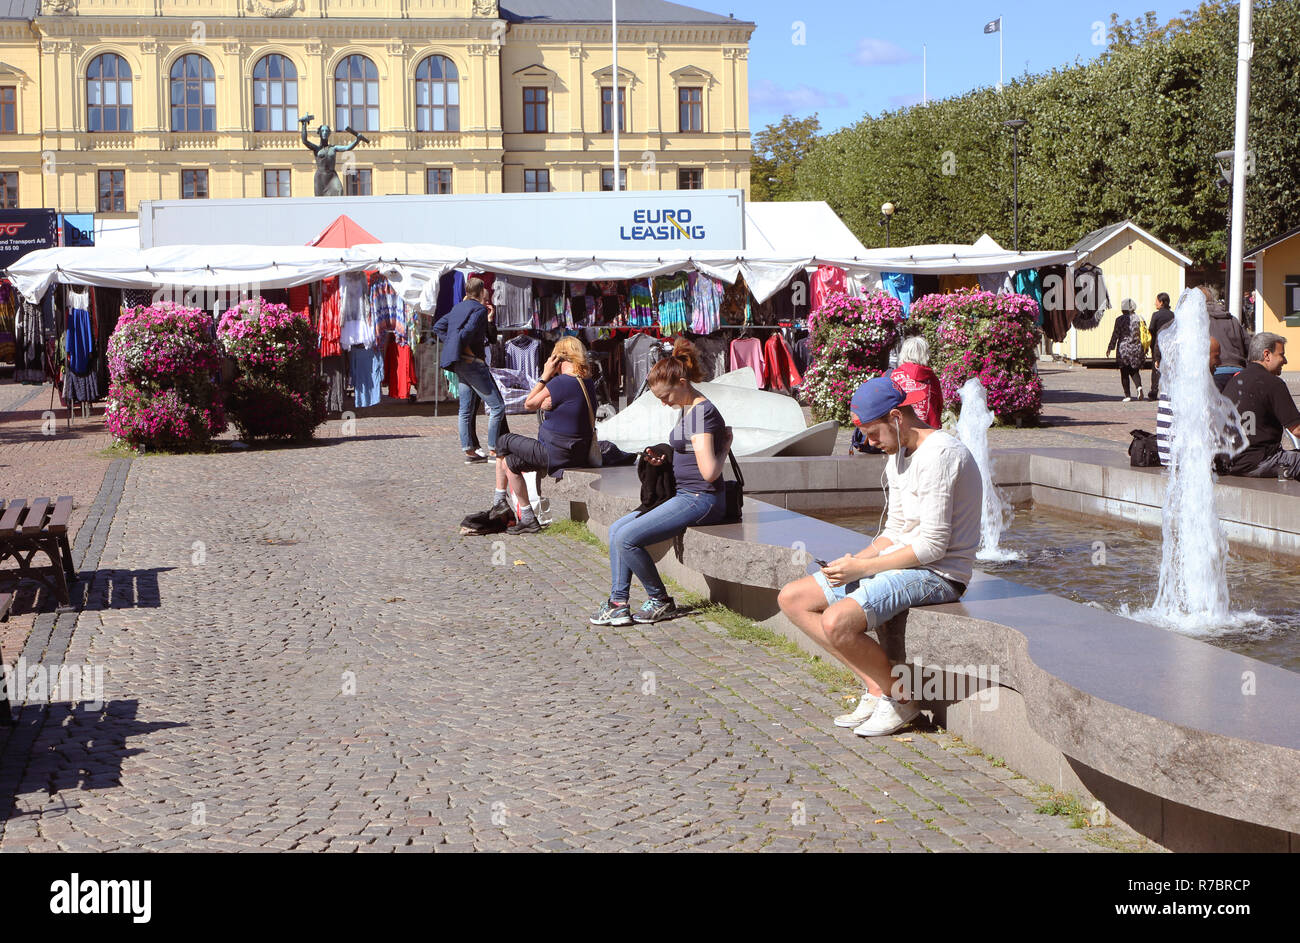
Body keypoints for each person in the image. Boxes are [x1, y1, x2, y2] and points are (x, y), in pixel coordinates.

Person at [776, 376, 982, 738]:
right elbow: (895, 530)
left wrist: (865, 568)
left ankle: (900, 700)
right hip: (906, 562)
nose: (870, 443)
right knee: (793, 599)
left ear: (896, 417)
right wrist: (853, 561)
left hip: (939, 573)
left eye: (873, 433)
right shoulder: (898, 454)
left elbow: (933, 546)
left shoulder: (942, 455)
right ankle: (876, 687)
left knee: (837, 621)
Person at [589, 338, 732, 627]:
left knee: (627, 538)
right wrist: (664, 457)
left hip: (700, 498)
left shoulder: (701, 414)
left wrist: (725, 446)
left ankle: (660, 600)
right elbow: (688, 450)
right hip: (685, 495)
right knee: (617, 528)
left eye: (665, 397)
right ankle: (618, 603)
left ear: (681, 382)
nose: (664, 403)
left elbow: (709, 473)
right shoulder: (688, 407)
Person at [491, 336, 598, 535]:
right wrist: (549, 403)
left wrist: (545, 376)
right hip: (576, 452)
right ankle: (528, 517)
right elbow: (563, 407)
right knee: (510, 463)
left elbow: (528, 403)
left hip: (555, 453)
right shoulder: (586, 382)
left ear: (558, 359)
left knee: (503, 440)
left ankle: (498, 500)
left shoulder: (561, 382)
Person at [432, 276, 507, 464]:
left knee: (465, 409)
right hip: (472, 363)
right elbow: (468, 331)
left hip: (460, 363)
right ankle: (493, 450)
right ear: (481, 292)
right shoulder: (479, 309)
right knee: (497, 407)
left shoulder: (458, 307)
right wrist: (461, 346)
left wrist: (453, 343)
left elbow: (438, 326)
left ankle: (470, 451)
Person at [1223, 333, 1300, 480]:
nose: (1285, 361)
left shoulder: (1235, 380)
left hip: (1232, 462)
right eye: (1281, 355)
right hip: (1259, 461)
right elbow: (1296, 429)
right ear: (1267, 355)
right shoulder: (1273, 383)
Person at [1155, 337, 1226, 467]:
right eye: (1216, 356)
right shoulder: (1194, 387)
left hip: (1170, 460)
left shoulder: (1177, 381)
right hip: (1186, 463)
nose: (1220, 362)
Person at [891, 335, 943, 428]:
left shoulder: (892, 377)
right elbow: (939, 406)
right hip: (928, 432)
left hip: (900, 432)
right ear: (925, 354)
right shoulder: (932, 379)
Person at [1205, 285, 1251, 382]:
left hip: (1214, 372)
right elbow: (1249, 346)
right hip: (1238, 370)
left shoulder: (1197, 321)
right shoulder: (1232, 319)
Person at [1106, 299, 1146, 401]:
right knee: (1134, 370)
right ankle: (1139, 387)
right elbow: (1144, 334)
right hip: (1136, 348)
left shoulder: (1119, 320)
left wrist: (1110, 347)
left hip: (1123, 349)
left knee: (1124, 371)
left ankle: (1127, 395)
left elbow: (1115, 334)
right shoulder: (1140, 318)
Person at [1148, 292, 1175, 398]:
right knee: (1170, 367)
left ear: (1162, 302)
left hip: (1158, 344)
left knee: (1156, 367)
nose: (1155, 303)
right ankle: (1170, 390)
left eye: (1157, 301)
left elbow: (1151, 329)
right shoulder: (1172, 314)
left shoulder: (1156, 315)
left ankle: (1154, 390)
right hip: (1170, 344)